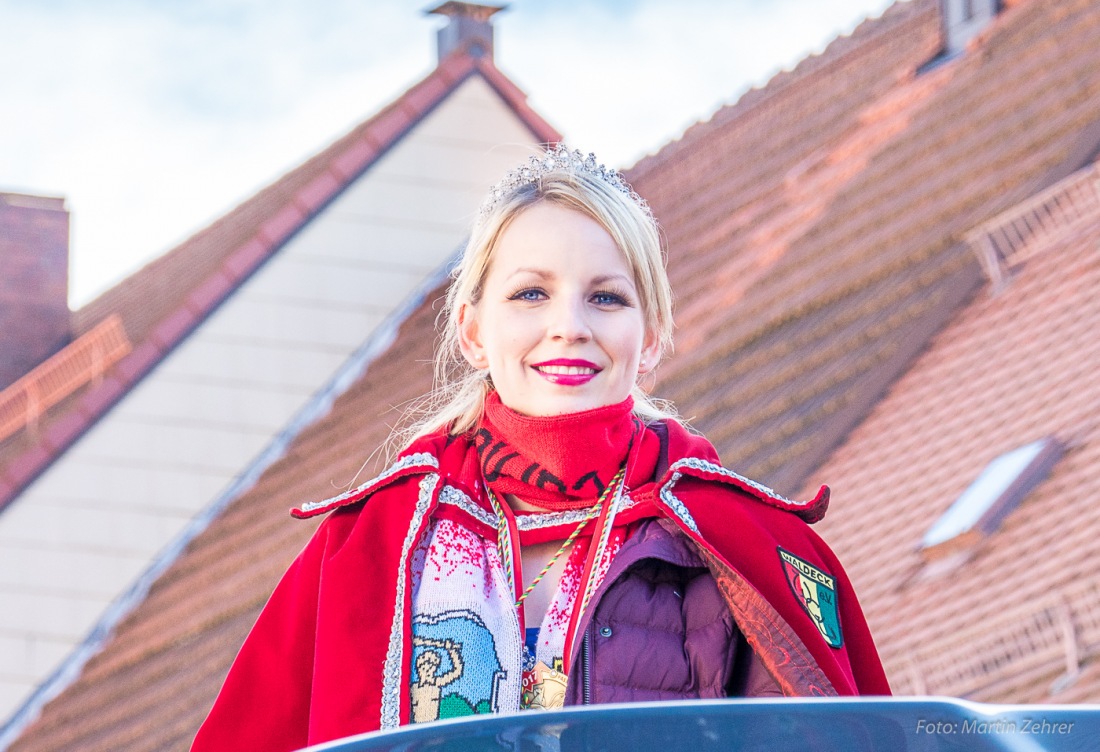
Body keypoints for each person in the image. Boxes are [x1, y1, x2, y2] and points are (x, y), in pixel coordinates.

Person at [191, 144, 890, 752]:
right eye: (530, 293)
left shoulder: (743, 546)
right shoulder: (366, 546)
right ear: (472, 331)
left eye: (606, 299)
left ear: (649, 337)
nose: (569, 327)